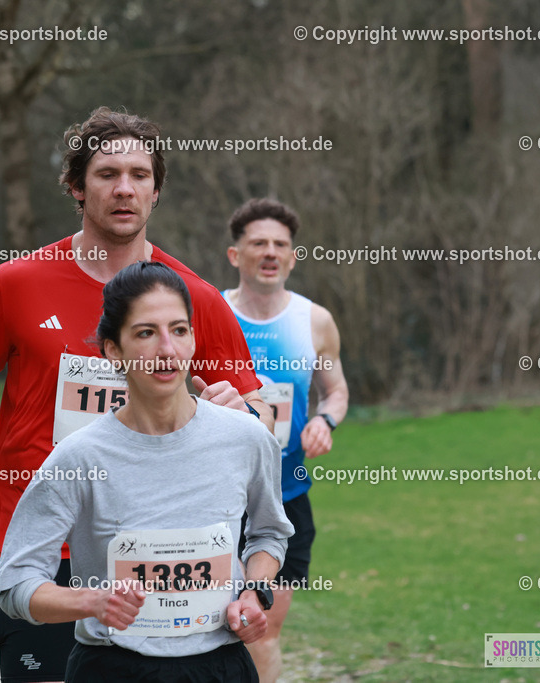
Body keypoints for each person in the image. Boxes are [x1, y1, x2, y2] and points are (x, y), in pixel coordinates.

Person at [0, 106, 273, 682]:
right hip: (44, 537)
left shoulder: (194, 299)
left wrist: (245, 408)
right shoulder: (19, 282)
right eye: (107, 173)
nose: (125, 188)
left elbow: (255, 413)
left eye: (140, 174)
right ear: (77, 187)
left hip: (151, 544)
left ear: (157, 190)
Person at [0, 261, 294, 682]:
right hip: (113, 668)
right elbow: (14, 584)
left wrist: (253, 590)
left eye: (179, 330)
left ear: (193, 340)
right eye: (146, 333)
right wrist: (92, 602)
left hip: (221, 667)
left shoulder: (245, 437)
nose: (167, 349)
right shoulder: (79, 457)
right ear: (113, 350)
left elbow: (269, 533)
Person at [223, 198, 349, 682]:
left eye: (280, 244)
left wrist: (325, 421)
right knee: (193, 626)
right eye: (258, 243)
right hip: (214, 496)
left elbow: (335, 391)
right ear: (236, 255)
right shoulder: (207, 312)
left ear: (293, 257)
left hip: (285, 498)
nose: (270, 252)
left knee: (261, 628)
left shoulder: (314, 321)